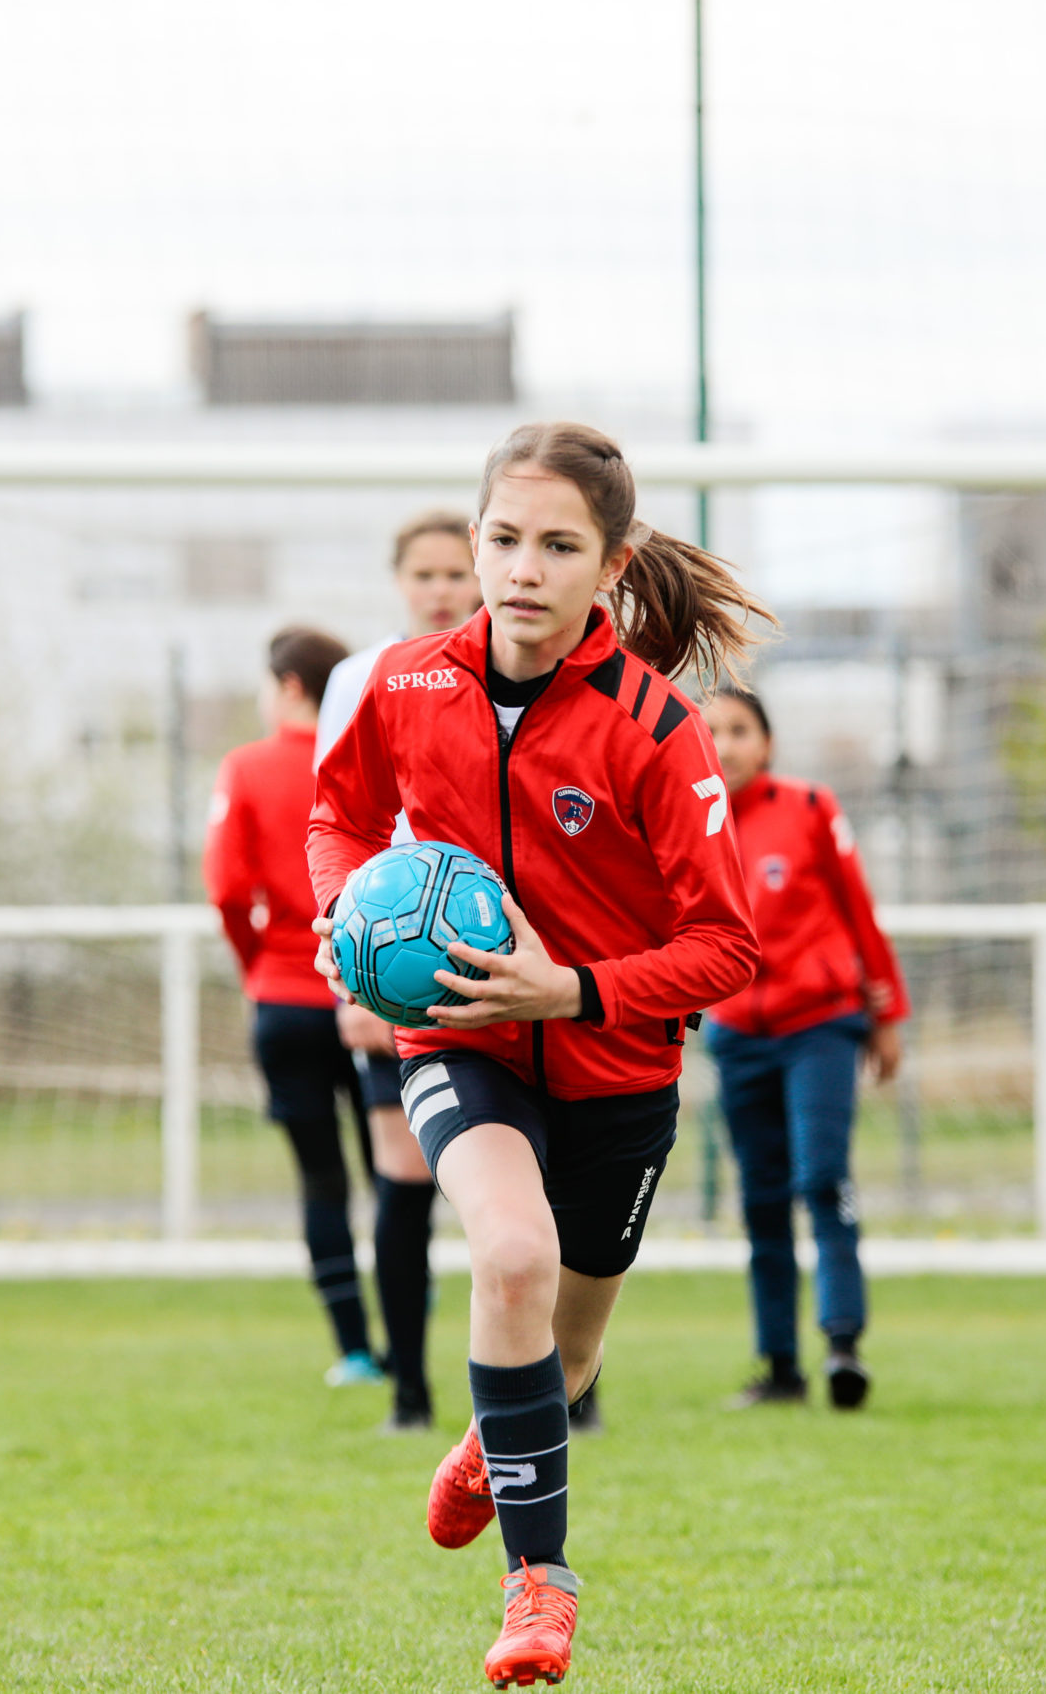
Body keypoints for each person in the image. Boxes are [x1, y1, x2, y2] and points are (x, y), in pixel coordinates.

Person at [308, 421, 770, 1689]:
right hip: (461, 1042)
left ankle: (485, 1440)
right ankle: (539, 1585)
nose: (522, 568)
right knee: (507, 1256)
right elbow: (337, 818)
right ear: (473, 543)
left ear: (608, 566)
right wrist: (343, 910)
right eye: (503, 540)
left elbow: (728, 947)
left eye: (558, 546)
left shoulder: (658, 728)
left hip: (619, 1066)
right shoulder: (405, 684)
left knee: (565, 1360)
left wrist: (572, 987)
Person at [315, 509, 485, 1433]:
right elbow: (339, 824)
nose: (443, 589)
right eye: (424, 574)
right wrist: (350, 978)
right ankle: (413, 1394)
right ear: (399, 581)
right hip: (391, 967)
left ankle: (570, 1384)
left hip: (495, 956)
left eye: (458, 571)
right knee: (402, 1178)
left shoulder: (509, 671)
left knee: (527, 1184)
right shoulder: (361, 680)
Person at [699, 686, 909, 1412]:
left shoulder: (812, 810)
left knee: (821, 1179)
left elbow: (860, 912)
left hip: (820, 1025)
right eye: (709, 731)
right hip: (736, 1037)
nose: (722, 744)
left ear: (768, 743)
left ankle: (843, 1344)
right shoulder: (686, 822)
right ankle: (781, 1366)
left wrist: (888, 1014)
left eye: (738, 729)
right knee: (760, 1201)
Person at [205, 626, 390, 1390]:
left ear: (287, 686)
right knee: (400, 1173)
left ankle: (355, 1349)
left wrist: (258, 969)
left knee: (322, 1181)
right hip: (378, 998)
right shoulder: (371, 763)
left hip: (286, 998)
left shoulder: (247, 766)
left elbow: (224, 888)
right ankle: (413, 1316)